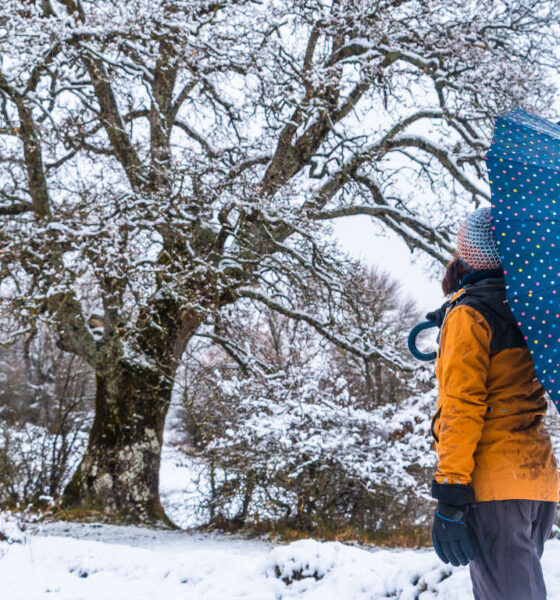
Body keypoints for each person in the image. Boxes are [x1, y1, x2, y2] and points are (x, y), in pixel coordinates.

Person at [429, 207, 559, 600]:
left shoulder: (471, 315)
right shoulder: (535, 311)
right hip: (537, 482)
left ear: (469, 253)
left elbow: (461, 407)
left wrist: (450, 492)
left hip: (493, 483)